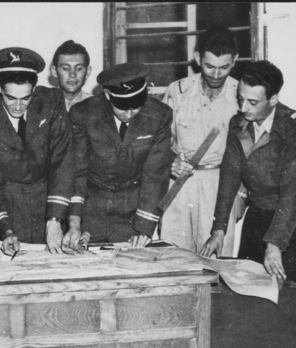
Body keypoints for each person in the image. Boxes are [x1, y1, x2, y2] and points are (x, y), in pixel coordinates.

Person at [200, 61, 296, 300]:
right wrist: (219, 229)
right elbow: (230, 177)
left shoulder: (295, 129)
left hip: (292, 221)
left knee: (288, 300)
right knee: (248, 294)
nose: (244, 108)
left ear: (273, 99)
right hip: (258, 215)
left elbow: (293, 190)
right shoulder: (239, 123)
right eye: (240, 98)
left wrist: (275, 243)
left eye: (253, 102)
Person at [0, 47, 76, 255]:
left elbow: (63, 164)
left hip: (49, 206)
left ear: (35, 89)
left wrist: (54, 219)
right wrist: (5, 230)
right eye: (10, 98)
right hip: (6, 210)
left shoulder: (51, 103)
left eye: (26, 98)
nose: (18, 106)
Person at [66, 63, 175, 248]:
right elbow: (77, 171)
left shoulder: (160, 115)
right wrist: (74, 224)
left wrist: (144, 228)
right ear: (108, 95)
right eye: (123, 108)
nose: (130, 114)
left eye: (137, 107)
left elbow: (155, 175)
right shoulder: (83, 114)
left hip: (133, 215)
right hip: (91, 212)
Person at [160, 26, 242, 255]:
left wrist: (243, 194)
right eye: (209, 66)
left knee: (216, 261)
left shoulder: (241, 95)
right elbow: (159, 143)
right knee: (174, 256)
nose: (216, 75)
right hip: (179, 185)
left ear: (235, 60)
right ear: (197, 59)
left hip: (221, 185)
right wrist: (171, 162)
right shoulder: (177, 91)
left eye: (224, 67)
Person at [50, 40, 92, 112]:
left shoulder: (96, 105)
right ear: (54, 71)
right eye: (66, 68)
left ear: (87, 72)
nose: (72, 74)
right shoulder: (42, 103)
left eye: (79, 69)